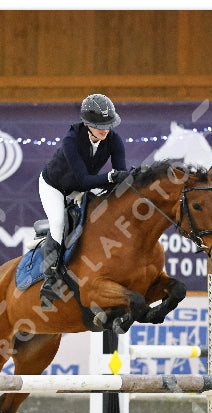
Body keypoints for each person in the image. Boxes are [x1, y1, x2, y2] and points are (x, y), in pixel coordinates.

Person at [38, 93, 131, 308]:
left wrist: (129, 179)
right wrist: (111, 177)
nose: (105, 129)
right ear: (87, 124)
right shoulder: (71, 140)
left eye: (108, 124)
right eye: (100, 125)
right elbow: (83, 179)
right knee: (58, 223)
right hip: (55, 187)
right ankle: (50, 279)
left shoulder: (114, 140)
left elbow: (121, 175)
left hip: (82, 187)